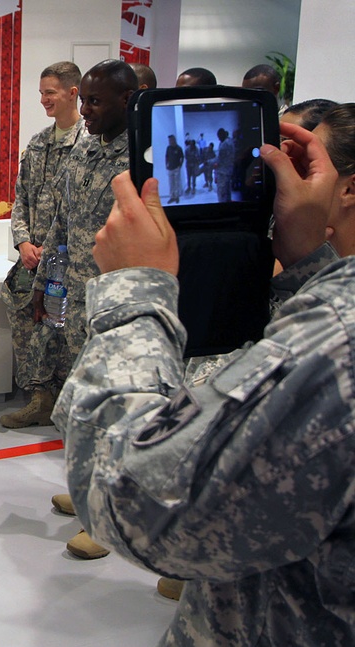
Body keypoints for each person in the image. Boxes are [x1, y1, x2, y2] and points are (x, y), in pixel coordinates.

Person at [53, 116, 354, 645]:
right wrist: (310, 263)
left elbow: (138, 504)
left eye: (302, 162)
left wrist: (134, 291)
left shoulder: (339, 333)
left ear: (348, 188)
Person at [27, 60, 137, 560]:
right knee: (84, 397)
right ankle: (88, 487)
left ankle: (109, 518)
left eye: (96, 101)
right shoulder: (86, 148)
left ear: (127, 100)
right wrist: (42, 282)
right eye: (84, 99)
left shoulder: (145, 156)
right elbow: (61, 220)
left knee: (117, 405)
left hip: (120, 299)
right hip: (76, 295)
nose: (86, 110)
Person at [0, 61, 86, 429]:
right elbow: (21, 199)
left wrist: (47, 250)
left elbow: (77, 210)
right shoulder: (38, 143)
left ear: (72, 93)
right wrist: (21, 241)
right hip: (32, 257)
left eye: (50, 92)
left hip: (69, 261)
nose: (44, 100)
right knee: (24, 320)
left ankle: (67, 403)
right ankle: (39, 397)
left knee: (65, 332)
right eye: (41, 93)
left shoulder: (88, 146)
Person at [215, 127, 234, 202]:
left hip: (223, 172)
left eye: (219, 137)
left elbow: (219, 159)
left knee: (222, 193)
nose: (219, 139)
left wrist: (209, 162)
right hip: (228, 171)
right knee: (227, 192)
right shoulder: (230, 141)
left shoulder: (224, 145)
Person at [165, 134, 185, 204]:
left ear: (174, 140)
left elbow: (182, 157)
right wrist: (166, 164)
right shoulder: (168, 148)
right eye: (169, 140)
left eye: (171, 140)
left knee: (176, 183)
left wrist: (180, 166)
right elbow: (166, 156)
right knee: (171, 184)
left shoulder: (179, 148)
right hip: (170, 168)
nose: (170, 141)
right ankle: (172, 197)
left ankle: (176, 197)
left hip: (176, 168)